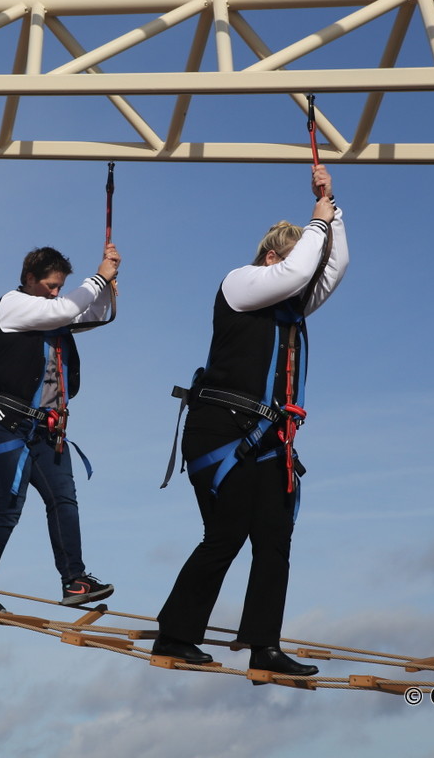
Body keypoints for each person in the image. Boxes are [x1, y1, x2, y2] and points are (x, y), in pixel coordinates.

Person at [152, 165, 349, 677]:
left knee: (274, 541)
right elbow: (301, 271)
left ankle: (265, 644)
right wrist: (316, 223)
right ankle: (174, 635)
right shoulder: (240, 284)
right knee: (227, 535)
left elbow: (328, 270)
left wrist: (332, 207)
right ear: (271, 257)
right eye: (296, 254)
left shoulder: (290, 305)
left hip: (266, 441)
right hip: (221, 431)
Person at [0, 243, 121, 612]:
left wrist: (108, 283)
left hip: (42, 428)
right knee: (7, 507)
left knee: (64, 499)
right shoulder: (13, 305)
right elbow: (68, 307)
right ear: (29, 279)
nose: (56, 292)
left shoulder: (52, 310)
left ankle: (74, 580)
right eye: (49, 285)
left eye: (60, 286)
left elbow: (91, 310)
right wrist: (98, 278)